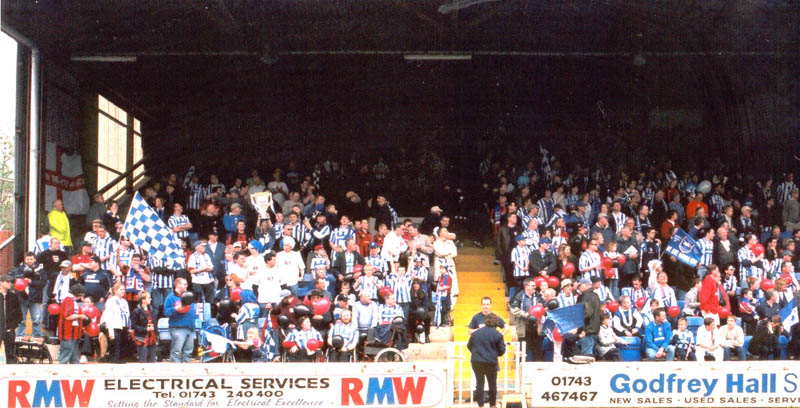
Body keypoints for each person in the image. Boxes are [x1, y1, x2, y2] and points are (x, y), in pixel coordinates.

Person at [466, 313, 505, 408]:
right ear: (496, 322)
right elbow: (502, 350)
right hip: (491, 362)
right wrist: (495, 354)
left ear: (485, 321)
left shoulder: (476, 333)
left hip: (476, 361)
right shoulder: (498, 334)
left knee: (479, 383)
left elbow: (469, 346)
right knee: (492, 383)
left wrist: (477, 353)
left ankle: (480, 405)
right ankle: (492, 404)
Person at [164, 277, 197, 363]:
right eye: (184, 284)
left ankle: (186, 373)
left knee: (188, 352)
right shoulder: (170, 297)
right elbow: (167, 312)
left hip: (190, 327)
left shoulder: (188, 296)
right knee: (176, 352)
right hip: (178, 328)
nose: (187, 285)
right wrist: (176, 309)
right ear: (178, 285)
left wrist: (193, 326)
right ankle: (176, 373)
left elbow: (192, 311)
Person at [101, 282, 131, 363]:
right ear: (115, 290)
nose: (123, 291)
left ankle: (121, 360)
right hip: (114, 325)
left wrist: (128, 327)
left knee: (123, 345)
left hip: (123, 326)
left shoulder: (124, 302)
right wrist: (110, 331)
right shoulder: (111, 301)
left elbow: (127, 315)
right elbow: (109, 316)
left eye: (124, 290)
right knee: (115, 346)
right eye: (121, 289)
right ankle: (114, 361)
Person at [58, 284, 88, 364]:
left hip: (73, 332)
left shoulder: (72, 301)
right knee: (66, 353)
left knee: (74, 356)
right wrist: (80, 316)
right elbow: (68, 316)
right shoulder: (69, 300)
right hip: (68, 332)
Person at [576, 277, 601, 356]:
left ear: (584, 285)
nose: (579, 288)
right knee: (591, 354)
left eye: (579, 286)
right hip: (594, 330)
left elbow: (587, 312)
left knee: (586, 356)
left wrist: (577, 323)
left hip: (587, 330)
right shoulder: (595, 296)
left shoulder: (586, 297)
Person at [0, 275, 22, 363]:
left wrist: (14, 326)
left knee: (10, 354)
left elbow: (19, 313)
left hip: (9, 329)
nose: (10, 284)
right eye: (7, 282)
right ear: (1, 283)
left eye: (10, 282)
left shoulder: (13, 296)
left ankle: (11, 373)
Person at [132, 291, 158, 362]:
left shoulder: (152, 310)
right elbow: (133, 325)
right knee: (143, 359)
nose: (151, 299)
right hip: (142, 337)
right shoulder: (136, 311)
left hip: (152, 337)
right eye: (149, 298)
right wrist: (145, 329)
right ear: (143, 300)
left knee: (152, 359)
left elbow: (154, 323)